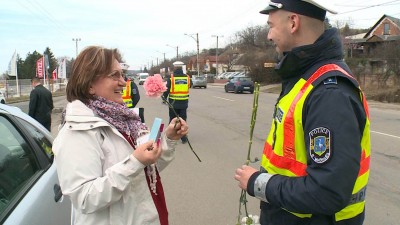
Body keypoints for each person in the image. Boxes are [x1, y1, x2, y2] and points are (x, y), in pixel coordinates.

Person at [234, 1, 371, 225]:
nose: (269, 35)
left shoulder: (329, 93)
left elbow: (327, 192)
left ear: (293, 22)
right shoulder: (306, 77)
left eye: (271, 26)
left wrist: (257, 183)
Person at [53, 46, 189, 225]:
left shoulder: (126, 120)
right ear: (90, 84)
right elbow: (85, 198)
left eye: (122, 74)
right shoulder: (77, 132)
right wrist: (134, 162)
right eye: (114, 75)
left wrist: (169, 139)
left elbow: (148, 169)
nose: (124, 82)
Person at [162, 61, 191, 144]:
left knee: (172, 120)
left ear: (174, 68)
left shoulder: (171, 78)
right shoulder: (187, 77)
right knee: (183, 120)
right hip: (184, 103)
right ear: (182, 68)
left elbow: (167, 89)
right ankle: (184, 138)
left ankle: (169, 137)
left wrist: (164, 98)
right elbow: (190, 85)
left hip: (173, 103)